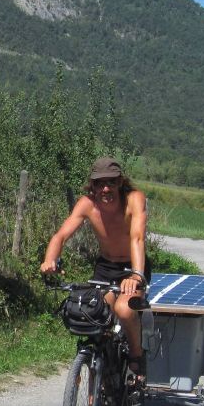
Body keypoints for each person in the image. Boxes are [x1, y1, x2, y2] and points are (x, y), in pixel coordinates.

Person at [40, 156, 150, 384]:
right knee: (94, 315)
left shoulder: (134, 199)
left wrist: (136, 276)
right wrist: (50, 260)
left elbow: (137, 238)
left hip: (132, 266)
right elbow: (61, 235)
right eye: (100, 184)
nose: (106, 189)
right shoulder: (87, 205)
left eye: (111, 182)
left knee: (124, 309)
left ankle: (137, 355)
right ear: (93, 186)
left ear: (121, 182)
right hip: (106, 268)